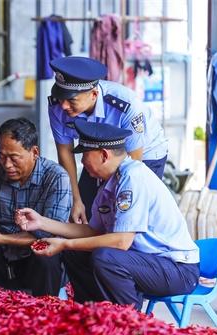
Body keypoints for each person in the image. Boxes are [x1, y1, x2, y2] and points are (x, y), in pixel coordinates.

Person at [16, 120, 199, 309]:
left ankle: (130, 322)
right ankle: (94, 315)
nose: (83, 162)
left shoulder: (132, 178)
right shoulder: (109, 184)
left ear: (103, 155)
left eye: (85, 155)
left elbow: (121, 242)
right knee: (76, 252)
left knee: (105, 257)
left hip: (177, 269)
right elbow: (93, 232)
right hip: (146, 262)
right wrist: (41, 222)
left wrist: (64, 243)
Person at [0, 118, 72, 297]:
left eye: (14, 158)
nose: (7, 164)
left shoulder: (56, 177)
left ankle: (47, 307)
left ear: (34, 152)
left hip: (38, 265)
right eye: (2, 155)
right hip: (5, 261)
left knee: (46, 252)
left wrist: (2, 239)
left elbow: (50, 237)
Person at [48, 55, 169, 224]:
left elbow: (133, 167)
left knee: (128, 213)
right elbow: (65, 153)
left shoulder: (125, 105)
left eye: (71, 100)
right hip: (96, 153)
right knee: (87, 212)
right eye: (61, 98)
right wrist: (76, 200)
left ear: (94, 94)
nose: (64, 106)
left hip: (143, 156)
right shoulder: (57, 107)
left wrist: (110, 197)